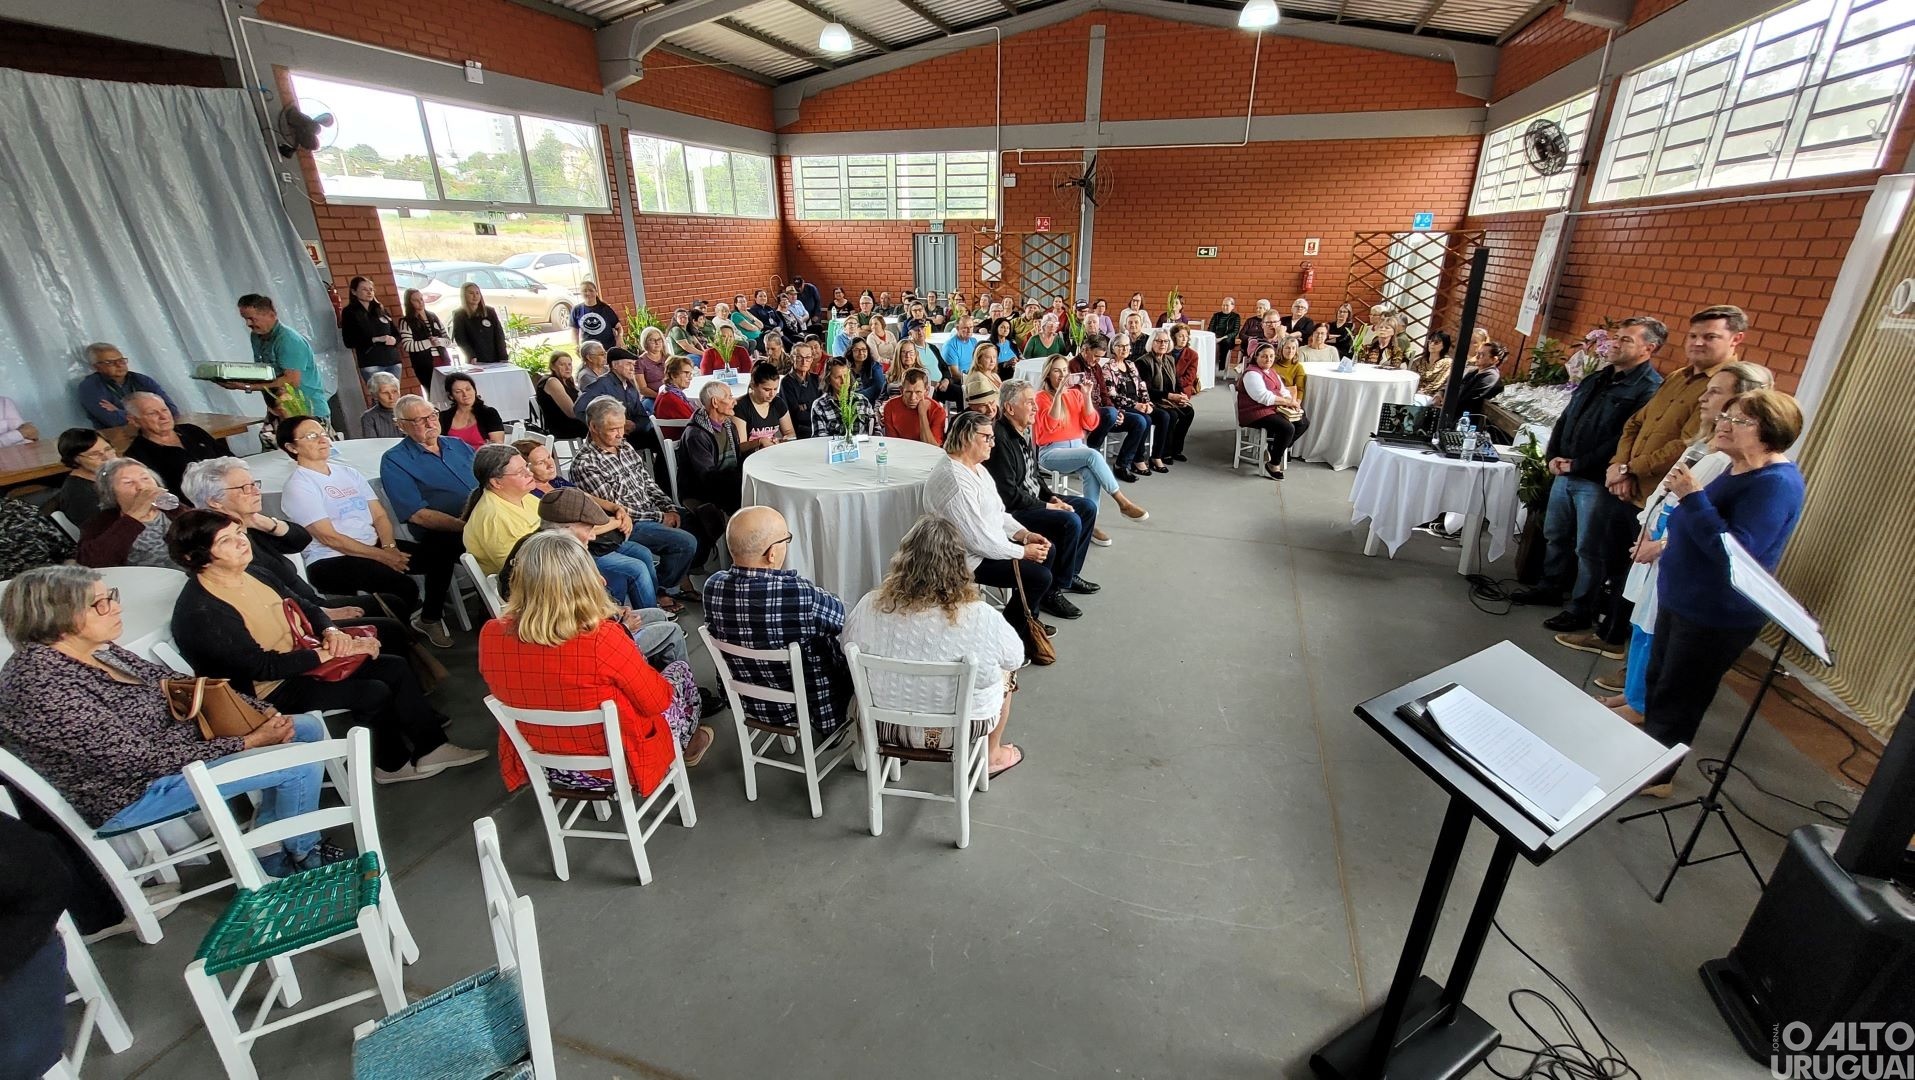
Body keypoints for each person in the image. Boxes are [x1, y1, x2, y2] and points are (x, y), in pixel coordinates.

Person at [0, 566, 334, 876]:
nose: (116, 607)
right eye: (100, 604)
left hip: (179, 751)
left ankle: (270, 839)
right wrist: (249, 742)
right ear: (58, 616)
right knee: (297, 765)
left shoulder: (99, 649)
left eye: (111, 596)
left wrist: (259, 710)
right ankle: (304, 855)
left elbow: (179, 684)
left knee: (306, 728)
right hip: (132, 791)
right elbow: (138, 761)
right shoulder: (41, 684)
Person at [167, 511, 484, 785]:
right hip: (265, 691)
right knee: (372, 691)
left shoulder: (250, 571)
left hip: (301, 658)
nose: (241, 542)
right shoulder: (202, 612)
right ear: (194, 558)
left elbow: (305, 605)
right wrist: (332, 652)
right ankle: (392, 765)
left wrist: (332, 632)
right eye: (225, 541)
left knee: (393, 666)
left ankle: (432, 748)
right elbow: (261, 667)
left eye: (239, 533)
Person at [1635, 389, 1806, 797]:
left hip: (1716, 614)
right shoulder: (1738, 468)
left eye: (1741, 420)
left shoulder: (1775, 483)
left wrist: (1693, 497)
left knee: (1681, 696)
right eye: (1726, 415)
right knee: (1660, 682)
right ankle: (1644, 758)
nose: (1724, 424)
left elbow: (1735, 552)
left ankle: (1658, 777)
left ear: (1771, 431)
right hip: (1684, 599)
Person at [1557, 306, 1747, 659]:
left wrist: (1631, 470)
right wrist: (1618, 466)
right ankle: (1607, 633)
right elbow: (1634, 424)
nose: (1698, 343)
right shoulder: (1677, 377)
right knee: (1613, 562)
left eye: (1711, 337)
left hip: (1662, 495)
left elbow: (1689, 444)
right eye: (1693, 336)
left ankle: (1625, 648)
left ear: (1736, 339)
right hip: (1628, 486)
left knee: (1647, 578)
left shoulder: (1731, 386)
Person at [482, 532, 714, 791]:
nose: (601, 579)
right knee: (678, 673)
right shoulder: (600, 638)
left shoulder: (491, 634)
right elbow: (657, 701)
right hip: (616, 765)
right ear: (579, 583)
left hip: (547, 765)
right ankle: (690, 742)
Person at [1607, 363, 1774, 719]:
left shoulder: (1729, 463)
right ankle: (1634, 692)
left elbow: (1712, 523)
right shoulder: (1701, 445)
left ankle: (1641, 703)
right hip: (1654, 538)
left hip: (1674, 555)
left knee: (1655, 630)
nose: (1705, 398)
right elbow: (1666, 493)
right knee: (1640, 623)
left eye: (1716, 393)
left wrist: (1661, 544)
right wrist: (1646, 526)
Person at [842, 516, 1026, 776]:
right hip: (960, 729)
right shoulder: (982, 617)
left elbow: (846, 646)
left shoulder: (870, 605)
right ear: (959, 564)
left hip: (883, 725)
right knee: (1007, 673)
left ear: (904, 558)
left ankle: (886, 757)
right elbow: (1015, 658)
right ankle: (992, 754)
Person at [1512, 318, 1667, 623]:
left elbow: (1623, 438)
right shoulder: (1597, 378)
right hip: (1565, 469)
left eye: (1626, 340)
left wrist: (1578, 464)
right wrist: (1553, 455)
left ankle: (1582, 608)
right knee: (1556, 534)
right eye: (1616, 338)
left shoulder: (1649, 388)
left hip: (1595, 479)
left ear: (1649, 348)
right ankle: (1550, 587)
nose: (1615, 344)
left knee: (1589, 547)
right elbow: (1566, 417)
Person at [702, 507, 853, 739]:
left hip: (748, 699)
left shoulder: (713, 587)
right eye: (786, 539)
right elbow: (842, 620)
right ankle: (833, 729)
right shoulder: (799, 594)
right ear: (771, 553)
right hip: (806, 702)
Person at [930, 410, 1060, 661]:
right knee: (1039, 577)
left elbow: (998, 513)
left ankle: (1027, 623)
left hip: (989, 545)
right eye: (987, 437)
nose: (993, 442)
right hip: (964, 558)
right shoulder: (955, 479)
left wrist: (1024, 534)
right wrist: (1022, 551)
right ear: (968, 437)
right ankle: (1005, 640)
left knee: (1047, 550)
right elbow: (977, 540)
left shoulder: (977, 468)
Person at [275, 414, 424, 616]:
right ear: (292, 448)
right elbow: (329, 537)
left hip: (373, 545)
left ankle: (427, 618)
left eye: (322, 433)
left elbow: (379, 515)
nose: (322, 439)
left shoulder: (348, 472)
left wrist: (390, 547)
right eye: (311, 436)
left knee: (436, 557)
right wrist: (384, 556)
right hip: (331, 558)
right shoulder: (299, 485)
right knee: (403, 587)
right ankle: (395, 634)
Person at [569, 398, 709, 598]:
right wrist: (661, 517)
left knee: (701, 523)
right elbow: (617, 509)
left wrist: (668, 507)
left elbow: (648, 482)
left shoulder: (624, 446)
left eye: (621, 427)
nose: (620, 434)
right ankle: (664, 588)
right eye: (613, 429)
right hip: (625, 525)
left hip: (650, 510)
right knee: (685, 542)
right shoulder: (585, 464)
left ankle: (666, 581)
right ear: (593, 427)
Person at [988, 380, 1099, 620]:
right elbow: (1008, 495)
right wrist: (1050, 506)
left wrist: (1051, 496)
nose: (1035, 407)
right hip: (1015, 511)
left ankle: (1069, 575)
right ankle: (1052, 591)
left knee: (1087, 508)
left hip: (1034, 500)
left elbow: (1034, 474)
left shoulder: (1024, 430)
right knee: (1069, 520)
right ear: (1009, 408)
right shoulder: (1000, 439)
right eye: (1029, 403)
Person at [379, 395, 477, 646]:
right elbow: (417, 514)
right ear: (401, 425)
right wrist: (466, 526)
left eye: (432, 415)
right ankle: (430, 617)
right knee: (440, 548)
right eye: (420, 420)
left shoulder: (458, 445)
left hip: (483, 517)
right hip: (442, 528)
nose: (430, 422)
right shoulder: (395, 460)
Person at [1034, 355, 1149, 534]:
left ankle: (1090, 524)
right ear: (1048, 374)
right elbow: (1050, 425)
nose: (1062, 375)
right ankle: (1122, 501)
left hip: (1077, 447)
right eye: (1057, 371)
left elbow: (1091, 424)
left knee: (1090, 471)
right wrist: (1058, 396)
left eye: (1065, 370)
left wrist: (1086, 396)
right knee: (1093, 454)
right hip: (1051, 451)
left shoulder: (1075, 394)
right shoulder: (1041, 397)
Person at [238, 293, 333, 425]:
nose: (248, 324)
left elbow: (291, 380)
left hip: (305, 412)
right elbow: (262, 370)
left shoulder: (288, 340)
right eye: (245, 319)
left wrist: (248, 386)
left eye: (252, 319)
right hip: (278, 410)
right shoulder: (256, 336)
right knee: (271, 443)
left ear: (271, 314)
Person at [76, 459, 181, 568]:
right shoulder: (102, 522)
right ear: (111, 492)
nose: (141, 487)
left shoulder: (172, 508)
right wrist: (135, 514)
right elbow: (89, 562)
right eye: (128, 482)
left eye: (145, 478)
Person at [121, 391, 230, 496]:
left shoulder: (192, 431)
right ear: (134, 420)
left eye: (164, 410)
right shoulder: (137, 456)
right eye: (152, 413)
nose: (163, 417)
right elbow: (161, 494)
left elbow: (230, 459)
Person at [463, 444, 542, 576]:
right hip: (526, 584)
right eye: (520, 472)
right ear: (496, 483)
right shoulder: (494, 518)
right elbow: (520, 571)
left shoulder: (523, 496)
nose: (529, 473)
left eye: (526, 466)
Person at [572, 347, 661, 458]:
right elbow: (578, 409)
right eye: (628, 364)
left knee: (662, 437)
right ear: (614, 365)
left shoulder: (631, 386)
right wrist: (610, 425)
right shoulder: (602, 384)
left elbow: (642, 416)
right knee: (660, 440)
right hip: (613, 438)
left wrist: (635, 426)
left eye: (633, 365)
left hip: (632, 433)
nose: (632, 369)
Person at [1237, 342, 1308, 481]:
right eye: (1264, 356)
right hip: (1254, 411)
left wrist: (1289, 400)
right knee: (1287, 428)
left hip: (1272, 408)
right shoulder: (1252, 373)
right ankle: (1273, 463)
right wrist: (1288, 402)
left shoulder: (1271, 371)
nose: (1268, 359)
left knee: (1303, 422)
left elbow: (1283, 390)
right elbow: (1263, 397)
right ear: (1256, 357)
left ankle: (1274, 449)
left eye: (1271, 356)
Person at [76, 342, 179, 429]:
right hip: (118, 436)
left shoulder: (142, 380)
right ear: (96, 367)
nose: (119, 365)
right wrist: (149, 416)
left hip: (157, 431)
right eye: (110, 362)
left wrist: (119, 411)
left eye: (121, 360)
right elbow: (113, 421)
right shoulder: (90, 387)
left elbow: (171, 410)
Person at [683, 382, 745, 513]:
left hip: (728, 481)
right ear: (715, 402)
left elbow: (737, 459)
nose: (735, 402)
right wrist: (741, 479)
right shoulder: (696, 435)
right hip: (705, 491)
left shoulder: (728, 425)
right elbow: (707, 478)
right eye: (729, 397)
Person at [1137, 329, 1195, 468]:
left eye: (1166, 341)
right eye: (1159, 341)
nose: (1163, 344)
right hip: (1153, 399)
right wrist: (1170, 396)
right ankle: (1163, 452)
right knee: (1172, 415)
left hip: (1169, 398)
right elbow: (1147, 390)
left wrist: (1181, 395)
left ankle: (1176, 449)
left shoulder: (1169, 359)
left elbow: (1176, 382)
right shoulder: (1143, 362)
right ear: (1152, 343)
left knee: (1188, 412)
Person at [1104, 336, 1158, 477]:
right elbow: (1112, 395)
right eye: (1120, 346)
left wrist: (1147, 404)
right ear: (1113, 348)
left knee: (1150, 418)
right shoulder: (1108, 368)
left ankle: (1136, 458)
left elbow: (1142, 387)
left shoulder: (1131, 365)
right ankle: (1123, 463)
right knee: (1142, 421)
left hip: (1137, 405)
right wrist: (1136, 405)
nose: (1124, 349)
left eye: (1127, 345)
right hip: (1120, 407)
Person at [340, 276, 403, 392]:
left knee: (394, 396)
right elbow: (349, 341)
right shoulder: (350, 312)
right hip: (371, 362)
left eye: (371, 289)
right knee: (380, 396)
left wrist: (394, 340)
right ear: (354, 291)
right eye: (364, 289)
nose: (369, 292)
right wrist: (375, 339)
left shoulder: (380, 309)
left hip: (392, 360)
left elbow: (397, 334)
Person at [54, 428, 114, 529]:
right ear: (76, 459)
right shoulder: (79, 494)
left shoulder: (113, 476)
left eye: (108, 449)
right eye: (95, 454)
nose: (106, 457)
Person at [398, 288, 454, 391]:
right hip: (424, 364)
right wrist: (429, 343)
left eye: (421, 299)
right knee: (432, 391)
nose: (420, 302)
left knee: (449, 390)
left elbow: (448, 340)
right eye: (416, 300)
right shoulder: (406, 321)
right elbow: (407, 345)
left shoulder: (433, 316)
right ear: (409, 302)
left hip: (443, 360)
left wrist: (439, 341)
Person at [733, 362, 795, 454]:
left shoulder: (778, 403)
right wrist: (759, 442)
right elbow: (739, 446)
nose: (772, 394)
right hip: (749, 458)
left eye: (775, 389)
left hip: (773, 453)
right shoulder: (741, 407)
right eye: (767, 390)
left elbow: (790, 432)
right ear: (753, 385)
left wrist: (783, 440)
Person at [811, 358, 879, 438]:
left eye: (846, 376)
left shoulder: (863, 401)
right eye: (838, 377)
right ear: (828, 379)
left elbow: (876, 430)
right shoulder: (820, 406)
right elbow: (820, 440)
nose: (843, 381)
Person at [440, 372, 506, 448]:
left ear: (474, 390)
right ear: (451, 396)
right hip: (453, 459)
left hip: (484, 458)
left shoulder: (489, 413)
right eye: (458, 392)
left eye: (468, 389)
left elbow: (498, 446)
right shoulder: (444, 417)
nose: (465, 394)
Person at [882, 369, 947, 445]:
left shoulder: (937, 411)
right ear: (901, 390)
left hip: (927, 455)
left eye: (918, 392)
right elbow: (892, 443)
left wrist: (922, 414)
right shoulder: (890, 406)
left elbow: (934, 447)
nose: (913, 397)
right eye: (908, 392)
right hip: (900, 451)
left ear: (926, 391)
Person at [532, 352, 588, 440]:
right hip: (564, 428)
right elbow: (572, 412)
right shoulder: (552, 382)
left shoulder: (568, 381)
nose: (567, 368)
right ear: (553, 367)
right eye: (562, 364)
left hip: (575, 423)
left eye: (569, 364)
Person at [451, 282, 508, 366]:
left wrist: (503, 356)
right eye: (471, 293)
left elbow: (499, 335)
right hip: (475, 359)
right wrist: (471, 355)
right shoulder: (459, 314)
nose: (475, 296)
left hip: (495, 358)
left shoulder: (490, 311)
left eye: (477, 293)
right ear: (464, 295)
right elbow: (461, 338)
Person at [781, 342, 825, 439]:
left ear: (812, 359)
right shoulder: (786, 382)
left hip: (819, 425)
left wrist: (805, 405)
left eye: (808, 357)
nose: (804, 362)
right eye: (799, 357)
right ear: (792, 358)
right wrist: (813, 407)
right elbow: (796, 414)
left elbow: (823, 405)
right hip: (800, 429)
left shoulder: (815, 379)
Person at [1453, 341, 1507, 417]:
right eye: (1477, 353)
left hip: (1465, 418)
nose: (1477, 356)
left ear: (1494, 360)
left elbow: (1468, 400)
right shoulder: (1475, 371)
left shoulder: (1491, 377)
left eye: (1482, 355)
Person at [652, 356, 697, 437]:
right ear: (673, 375)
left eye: (691, 374)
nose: (690, 378)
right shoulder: (671, 399)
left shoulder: (668, 392)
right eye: (686, 373)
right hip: (681, 442)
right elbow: (694, 422)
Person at [571, 280, 622, 352]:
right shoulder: (577, 310)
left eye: (591, 290)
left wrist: (619, 338)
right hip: (589, 349)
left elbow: (618, 327)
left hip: (608, 348)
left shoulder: (605, 308)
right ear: (581, 293)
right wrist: (576, 345)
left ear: (596, 292)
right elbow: (574, 330)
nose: (588, 293)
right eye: (584, 291)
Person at [1407, 330, 1455, 400]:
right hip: (1414, 394)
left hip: (1433, 397)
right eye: (1430, 341)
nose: (1432, 344)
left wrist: (1425, 392)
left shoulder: (1448, 363)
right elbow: (1411, 378)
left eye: (1436, 342)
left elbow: (1442, 383)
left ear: (1444, 345)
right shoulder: (1418, 361)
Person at [359, 371, 405, 439]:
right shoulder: (369, 417)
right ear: (375, 395)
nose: (391, 397)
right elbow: (372, 445)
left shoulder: (411, 411)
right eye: (385, 393)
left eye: (394, 391)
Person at [630, 329, 670, 400]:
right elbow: (642, 389)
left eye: (659, 339)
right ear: (645, 343)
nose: (657, 343)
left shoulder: (668, 357)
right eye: (652, 340)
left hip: (671, 394)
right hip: (652, 398)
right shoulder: (640, 362)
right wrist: (660, 397)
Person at [845, 338, 887, 404]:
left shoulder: (875, 366)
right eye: (857, 350)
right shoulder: (845, 367)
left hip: (870, 403)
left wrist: (856, 397)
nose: (861, 353)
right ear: (850, 351)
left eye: (864, 349)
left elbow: (879, 387)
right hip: (847, 403)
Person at [1208, 297, 1242, 375]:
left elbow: (1235, 332)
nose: (1224, 307)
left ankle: (1220, 365)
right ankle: (1210, 365)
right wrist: (1214, 337)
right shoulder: (1216, 315)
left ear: (1232, 306)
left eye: (1227, 305)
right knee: (1211, 343)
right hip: (1215, 337)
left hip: (1227, 338)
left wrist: (1222, 338)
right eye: (1223, 305)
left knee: (1224, 343)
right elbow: (1210, 328)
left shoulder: (1236, 317)